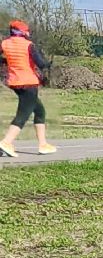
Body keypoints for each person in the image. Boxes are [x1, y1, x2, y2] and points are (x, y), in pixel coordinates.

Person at [0, 20, 54, 157]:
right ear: (23, 32)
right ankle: (6, 142)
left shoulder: (4, 44)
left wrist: (6, 62)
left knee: (40, 111)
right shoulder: (29, 45)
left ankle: (43, 144)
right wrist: (48, 64)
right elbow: (41, 64)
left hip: (14, 83)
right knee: (23, 114)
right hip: (29, 83)